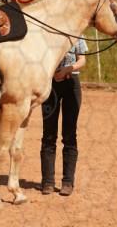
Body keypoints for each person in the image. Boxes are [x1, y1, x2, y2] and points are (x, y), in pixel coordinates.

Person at [40, 36, 88, 196]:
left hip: (72, 84)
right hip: (50, 85)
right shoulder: (49, 34)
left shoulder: (78, 34)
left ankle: (68, 182)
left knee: (69, 135)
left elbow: (82, 60)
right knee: (49, 134)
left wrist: (67, 70)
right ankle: (47, 183)